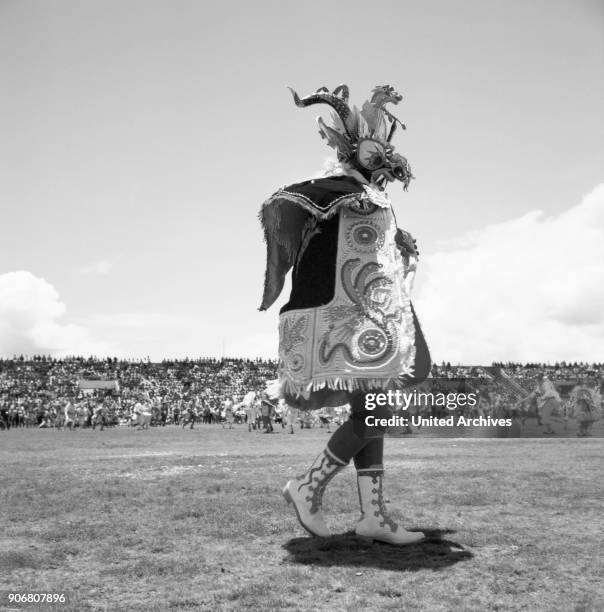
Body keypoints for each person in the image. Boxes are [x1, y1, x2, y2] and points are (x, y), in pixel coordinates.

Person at [259, 84, 431, 544]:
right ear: (353, 154)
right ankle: (308, 485)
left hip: (365, 314)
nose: (387, 164)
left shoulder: (368, 200)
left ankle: (372, 516)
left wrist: (395, 239)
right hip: (351, 317)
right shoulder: (339, 192)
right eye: (376, 155)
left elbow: (358, 248)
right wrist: (351, 203)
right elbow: (296, 203)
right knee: (378, 408)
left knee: (370, 406)